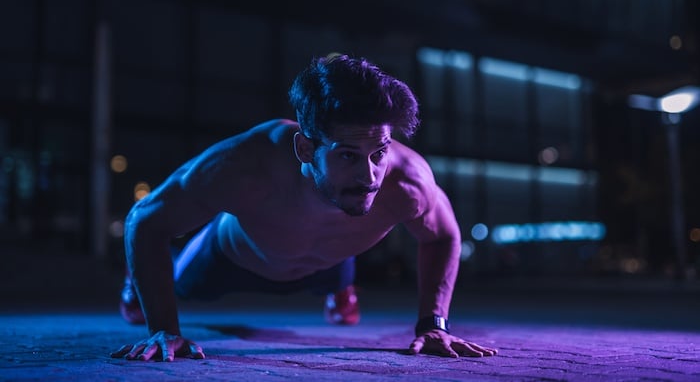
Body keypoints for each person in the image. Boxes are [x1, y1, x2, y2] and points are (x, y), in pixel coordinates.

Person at [110, 54, 498, 362]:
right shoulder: (244, 167)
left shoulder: (408, 180)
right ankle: (133, 286)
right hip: (235, 258)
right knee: (140, 308)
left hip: (330, 260)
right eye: (348, 155)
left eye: (379, 152)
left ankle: (340, 288)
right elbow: (145, 220)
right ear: (305, 149)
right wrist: (163, 327)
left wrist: (434, 323)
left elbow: (444, 234)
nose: (370, 175)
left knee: (345, 224)